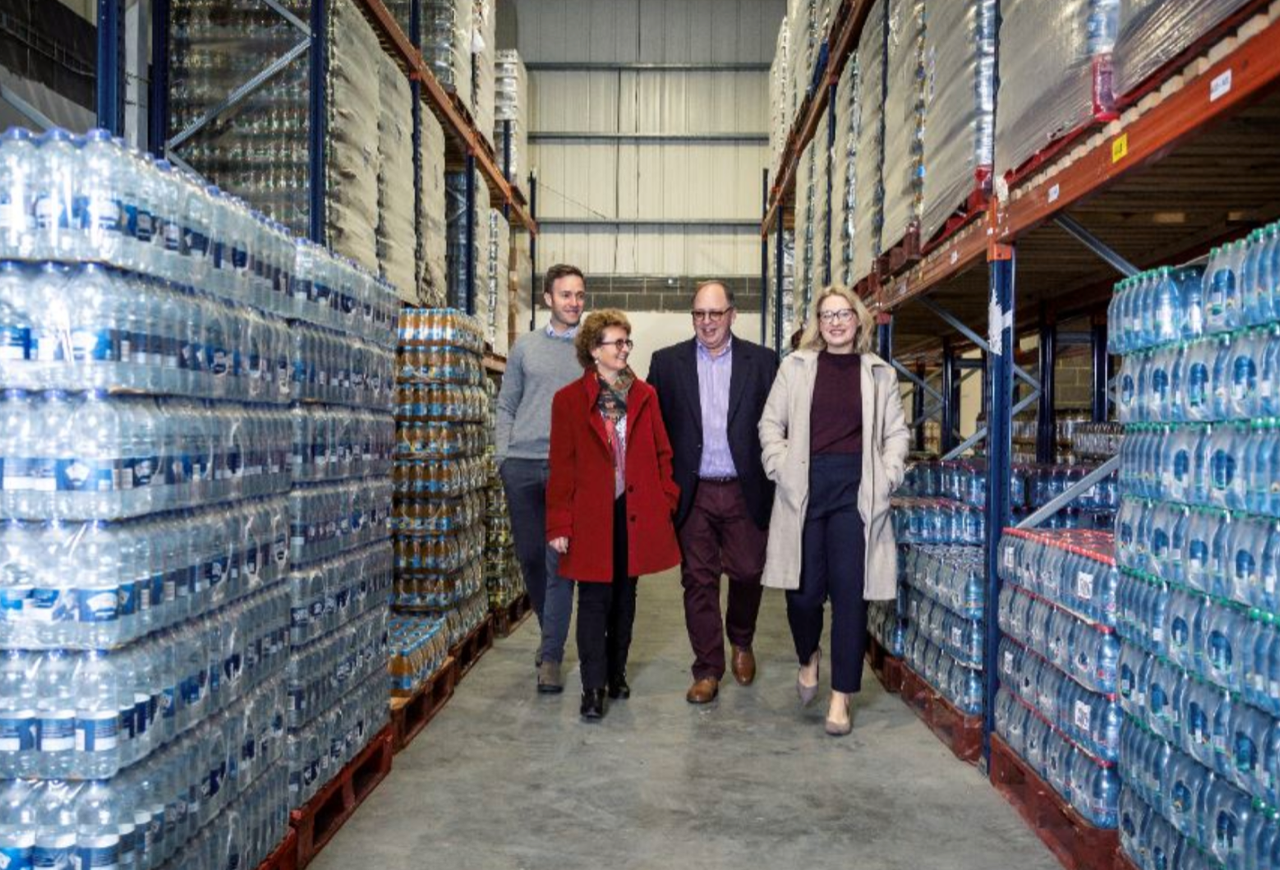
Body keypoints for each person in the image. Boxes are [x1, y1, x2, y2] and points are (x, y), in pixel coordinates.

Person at [758, 286, 910, 735]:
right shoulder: (796, 367)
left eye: (844, 314)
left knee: (850, 595)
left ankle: (841, 697)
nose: (836, 322)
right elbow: (771, 423)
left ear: (858, 321)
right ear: (817, 324)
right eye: (827, 315)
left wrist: (886, 477)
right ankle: (809, 655)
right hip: (804, 486)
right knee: (802, 593)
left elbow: (896, 434)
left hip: (857, 491)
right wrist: (781, 466)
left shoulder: (879, 373)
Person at [546, 309, 681, 721]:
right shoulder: (568, 400)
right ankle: (592, 686)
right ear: (593, 349)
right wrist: (559, 523)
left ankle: (617, 673)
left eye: (627, 342)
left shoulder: (644, 395)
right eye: (615, 343)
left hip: (635, 511)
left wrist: (667, 500)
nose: (624, 350)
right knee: (593, 600)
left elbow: (662, 453)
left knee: (625, 597)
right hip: (590, 515)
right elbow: (562, 466)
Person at [647, 281, 778, 704]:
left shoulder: (762, 362)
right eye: (699, 314)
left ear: (732, 315)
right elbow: (652, 427)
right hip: (695, 491)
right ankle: (707, 668)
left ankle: (741, 639)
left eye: (715, 314)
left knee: (748, 571)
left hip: (745, 487)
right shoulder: (667, 364)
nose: (707, 323)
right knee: (698, 581)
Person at [495, 264, 587, 693]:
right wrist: (503, 457)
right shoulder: (525, 348)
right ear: (548, 299)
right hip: (523, 466)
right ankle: (549, 633)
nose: (574, 302)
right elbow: (506, 405)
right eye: (565, 295)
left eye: (580, 295)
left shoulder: (592, 350)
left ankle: (550, 656)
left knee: (559, 564)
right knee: (531, 558)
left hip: (569, 471)